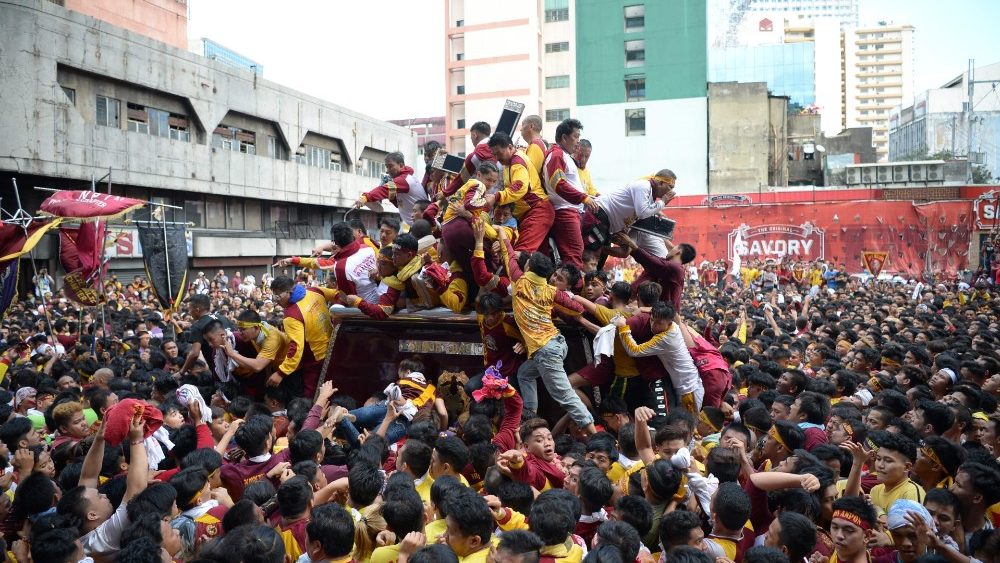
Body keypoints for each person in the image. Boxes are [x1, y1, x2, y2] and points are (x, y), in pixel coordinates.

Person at [496, 226, 595, 434]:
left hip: (546, 350)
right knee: (524, 374)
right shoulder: (551, 292)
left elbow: (509, 256)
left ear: (529, 266)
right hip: (555, 343)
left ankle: (595, 435)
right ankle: (531, 418)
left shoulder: (519, 280)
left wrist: (502, 233)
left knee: (564, 395)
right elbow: (578, 308)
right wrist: (556, 302)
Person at [269, 275, 339, 397]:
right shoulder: (314, 290)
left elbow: (296, 347)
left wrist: (281, 372)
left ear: (289, 291)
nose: (276, 300)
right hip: (334, 348)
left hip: (314, 359)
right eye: (273, 296)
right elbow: (337, 295)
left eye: (278, 296)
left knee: (311, 395)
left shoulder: (291, 314)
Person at [486, 131, 555, 256]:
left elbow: (519, 186)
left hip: (538, 211)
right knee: (539, 257)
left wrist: (496, 197)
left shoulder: (517, 161)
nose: (497, 158)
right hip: (530, 213)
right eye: (494, 155)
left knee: (520, 254)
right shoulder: (509, 163)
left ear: (510, 147)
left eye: (499, 153)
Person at [543, 118, 597, 268]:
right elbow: (558, 184)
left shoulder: (563, 155)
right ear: (564, 137)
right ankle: (572, 290)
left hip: (571, 212)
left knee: (574, 254)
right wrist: (583, 197)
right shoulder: (557, 155)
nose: (578, 141)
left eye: (579, 137)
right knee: (574, 255)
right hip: (565, 212)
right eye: (576, 136)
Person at [598, 171, 677, 259]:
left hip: (612, 225)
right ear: (661, 183)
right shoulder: (644, 186)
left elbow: (643, 209)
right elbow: (642, 213)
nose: (671, 191)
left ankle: (597, 248)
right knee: (592, 250)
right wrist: (662, 202)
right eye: (670, 187)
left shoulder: (651, 193)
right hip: (602, 214)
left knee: (623, 252)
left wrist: (657, 211)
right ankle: (596, 248)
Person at [355, 152, 429, 228]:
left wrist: (365, 197)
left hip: (423, 225)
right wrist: (392, 197)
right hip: (418, 225)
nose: (387, 170)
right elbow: (399, 205)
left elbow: (383, 190)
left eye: (390, 166)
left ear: (401, 165)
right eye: (386, 167)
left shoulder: (404, 180)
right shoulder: (403, 180)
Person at [445, 121, 495, 197]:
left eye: (471, 137)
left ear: (474, 135)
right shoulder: (500, 150)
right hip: (502, 198)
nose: (471, 140)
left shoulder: (475, 156)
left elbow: (461, 178)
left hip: (482, 198)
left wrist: (444, 193)